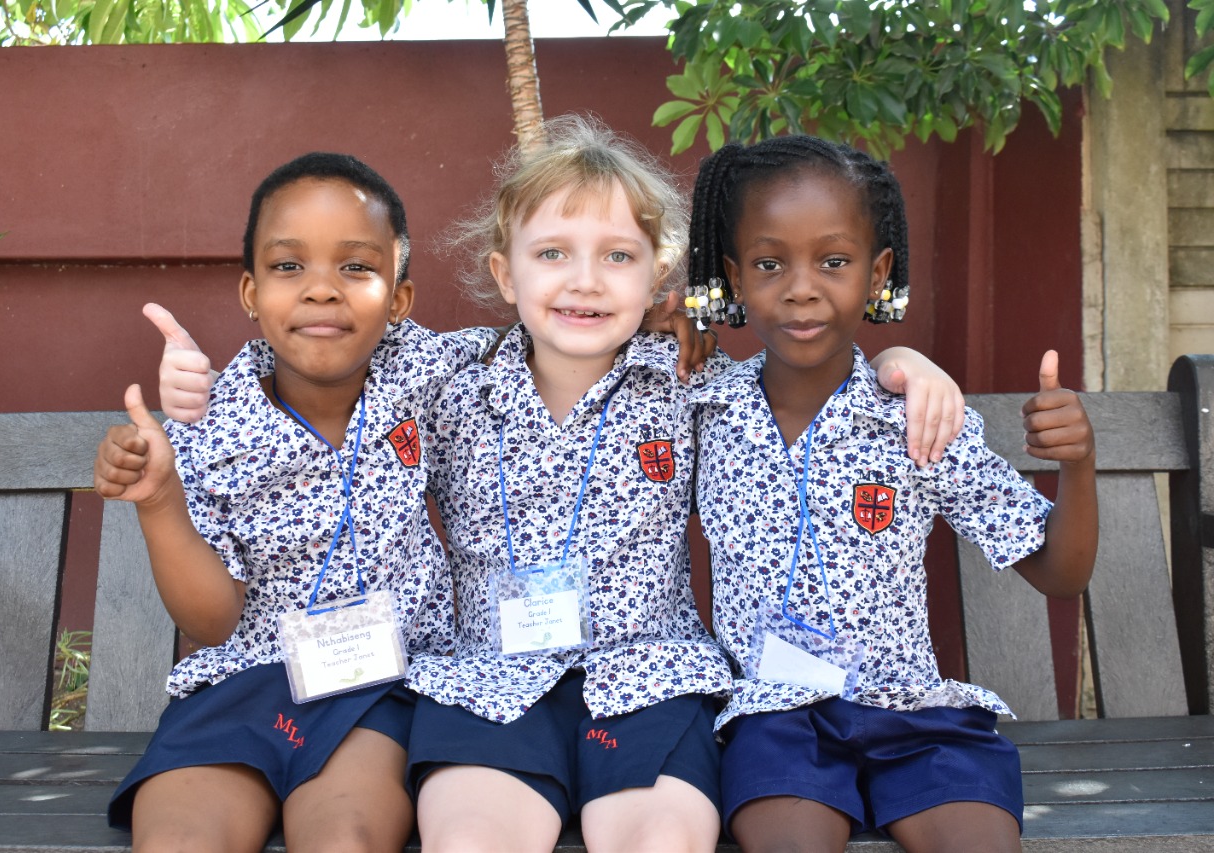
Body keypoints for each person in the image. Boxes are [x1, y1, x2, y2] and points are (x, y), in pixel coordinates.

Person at [153, 116, 965, 852]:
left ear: (658, 279)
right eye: (553, 255)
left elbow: (808, 375)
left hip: (652, 676)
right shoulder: (443, 374)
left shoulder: (693, 380)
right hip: (489, 683)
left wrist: (903, 364)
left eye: (617, 257)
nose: (584, 281)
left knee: (663, 843)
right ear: (504, 273)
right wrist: (208, 386)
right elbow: (322, 353)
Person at [687, 134, 1099, 853]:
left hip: (913, 713)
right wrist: (669, 318)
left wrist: (1079, 464)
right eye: (768, 263)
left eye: (835, 261)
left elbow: (1060, 572)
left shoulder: (918, 417)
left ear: (879, 273)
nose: (801, 286)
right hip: (773, 719)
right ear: (734, 274)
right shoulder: (700, 409)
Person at [93, 152, 495, 853]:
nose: (320, 290)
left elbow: (561, 340)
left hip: (384, 686)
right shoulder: (207, 425)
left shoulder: (430, 372)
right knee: (178, 842)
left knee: (345, 836)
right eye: (288, 267)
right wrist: (158, 500)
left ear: (399, 299)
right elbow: (212, 619)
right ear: (249, 292)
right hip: (240, 684)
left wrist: (662, 320)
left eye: (356, 267)